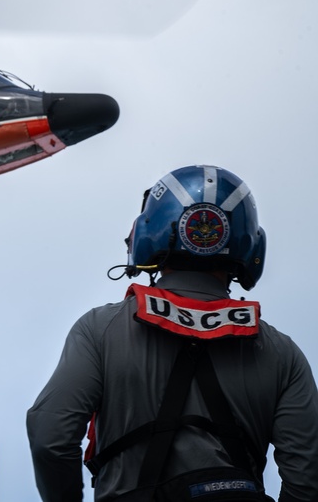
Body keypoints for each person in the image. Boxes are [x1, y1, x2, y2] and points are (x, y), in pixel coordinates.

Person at [26, 165, 318, 502]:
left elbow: (50, 437)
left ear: (149, 233)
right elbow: (307, 474)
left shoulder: (101, 329)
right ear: (250, 246)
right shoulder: (281, 353)